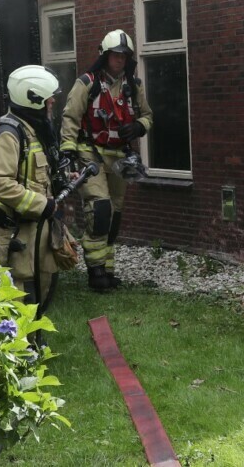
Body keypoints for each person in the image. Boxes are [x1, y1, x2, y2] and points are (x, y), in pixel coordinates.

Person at [60, 30, 153, 292]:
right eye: (115, 54)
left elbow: (148, 115)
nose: (120, 60)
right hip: (91, 153)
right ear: (105, 55)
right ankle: (95, 270)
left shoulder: (134, 86)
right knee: (100, 208)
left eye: (124, 55)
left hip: (120, 157)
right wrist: (68, 150)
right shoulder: (86, 83)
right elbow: (70, 118)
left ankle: (108, 269)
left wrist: (138, 127)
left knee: (115, 213)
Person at [0, 64, 62, 307]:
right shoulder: (9, 133)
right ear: (33, 99)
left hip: (38, 225)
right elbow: (0, 182)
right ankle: (20, 343)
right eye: (49, 99)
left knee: (44, 283)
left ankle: (35, 339)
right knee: (20, 291)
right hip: (16, 228)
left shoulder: (33, 129)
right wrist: (41, 204)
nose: (52, 104)